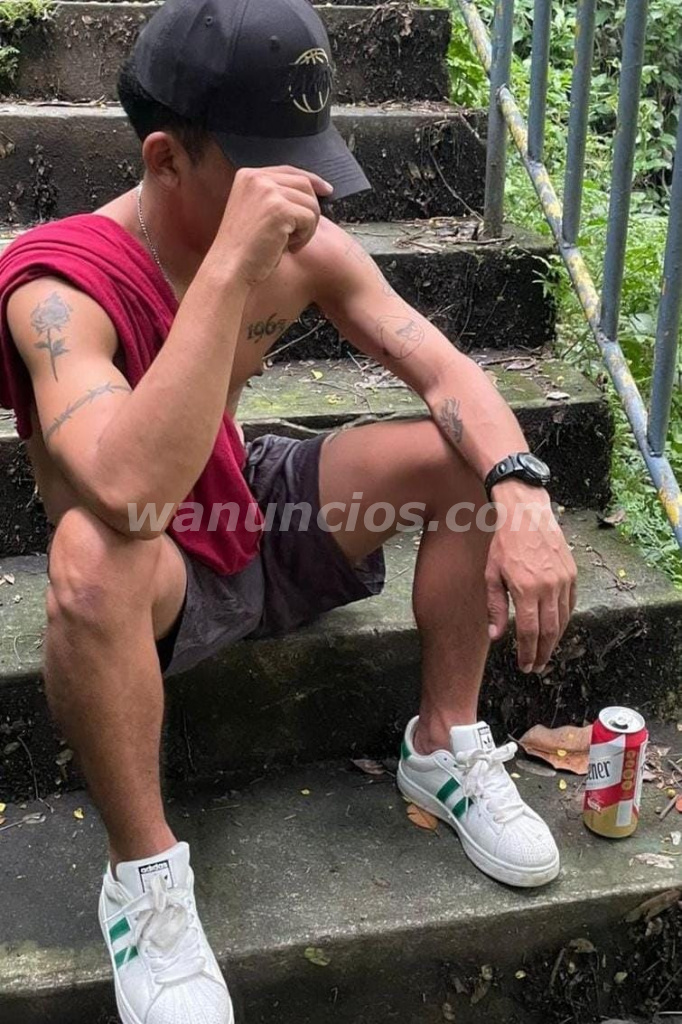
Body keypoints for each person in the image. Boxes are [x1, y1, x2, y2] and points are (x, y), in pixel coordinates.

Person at [0, 0, 577, 1020]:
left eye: (308, 162)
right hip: (152, 558)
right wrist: (228, 271)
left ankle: (442, 744)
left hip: (247, 498)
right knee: (89, 552)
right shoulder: (57, 290)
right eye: (269, 170)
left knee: (464, 458)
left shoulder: (303, 242)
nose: (304, 198)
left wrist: (522, 489)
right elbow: (131, 493)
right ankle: (144, 879)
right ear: (166, 158)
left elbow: (448, 370)